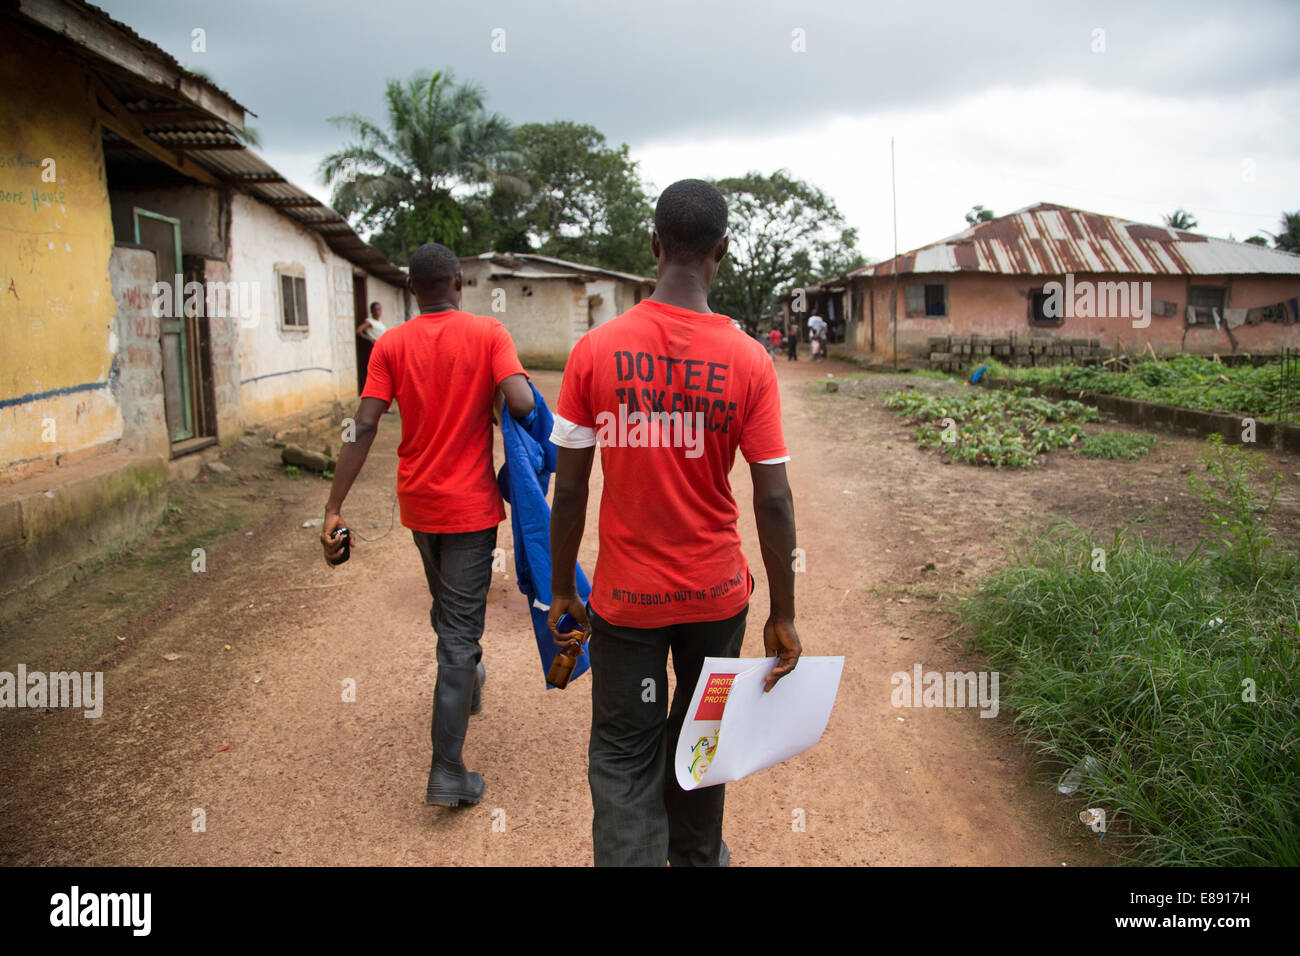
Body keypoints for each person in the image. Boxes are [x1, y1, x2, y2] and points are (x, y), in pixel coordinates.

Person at [547, 179, 802, 867]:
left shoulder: (594, 352)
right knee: (702, 744)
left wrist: (562, 588)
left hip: (628, 600)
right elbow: (773, 502)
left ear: (654, 246)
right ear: (723, 251)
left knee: (625, 757)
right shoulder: (750, 360)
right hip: (717, 597)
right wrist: (783, 611)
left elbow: (568, 492)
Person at [321, 242, 534, 808]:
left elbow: (364, 425)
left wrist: (332, 506)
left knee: (448, 606)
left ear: (412, 289)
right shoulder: (489, 334)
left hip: (419, 505)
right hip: (470, 507)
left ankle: (471, 683)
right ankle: (447, 770)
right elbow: (519, 402)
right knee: (460, 627)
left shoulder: (390, 343)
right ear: (459, 283)